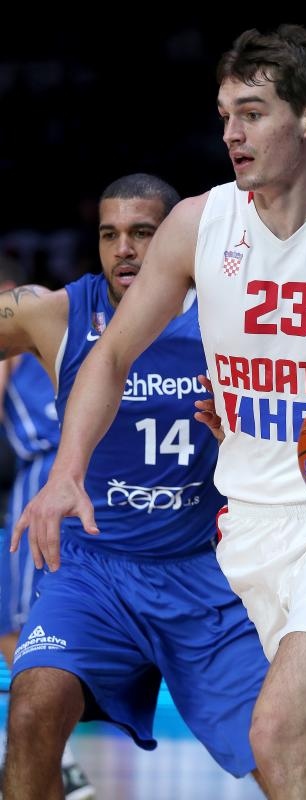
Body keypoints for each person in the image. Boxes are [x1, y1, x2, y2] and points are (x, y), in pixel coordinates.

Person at [11, 26, 306, 800]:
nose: (232, 132)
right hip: (249, 528)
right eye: (226, 113)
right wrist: (67, 473)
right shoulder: (200, 225)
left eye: (254, 112)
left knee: (278, 737)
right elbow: (108, 355)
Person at [0, 174, 271, 800]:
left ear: (181, 238)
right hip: (94, 569)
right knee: (33, 704)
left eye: (143, 233)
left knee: (279, 750)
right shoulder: (61, 314)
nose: (124, 248)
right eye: (110, 234)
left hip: (206, 573)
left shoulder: (231, 314)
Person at [0, 256, 95, 799]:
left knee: (20, 633)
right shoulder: (66, 323)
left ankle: (63, 764)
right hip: (79, 474)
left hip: (44, 475)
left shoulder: (30, 329)